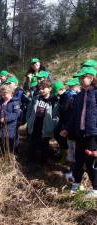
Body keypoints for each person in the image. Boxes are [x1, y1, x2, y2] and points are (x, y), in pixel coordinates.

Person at [61, 67, 97, 197]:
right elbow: (74, 115)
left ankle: (95, 189)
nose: (80, 80)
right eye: (80, 78)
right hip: (79, 132)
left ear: (91, 78)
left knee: (91, 161)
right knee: (78, 159)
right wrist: (67, 129)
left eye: (83, 77)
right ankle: (76, 183)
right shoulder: (80, 95)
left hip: (92, 133)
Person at [26, 79, 59, 164]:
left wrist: (52, 125)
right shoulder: (36, 98)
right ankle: (30, 162)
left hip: (46, 127)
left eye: (43, 88)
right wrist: (28, 119)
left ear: (50, 88)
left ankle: (42, 163)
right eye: (40, 88)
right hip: (35, 124)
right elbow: (30, 109)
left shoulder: (54, 100)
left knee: (44, 145)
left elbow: (56, 115)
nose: (41, 90)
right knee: (32, 144)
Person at [0, 85, 21, 153]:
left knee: (10, 142)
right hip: (0, 126)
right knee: (1, 141)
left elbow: (17, 114)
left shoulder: (14, 102)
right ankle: (2, 155)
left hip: (10, 127)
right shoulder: (0, 102)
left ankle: (11, 155)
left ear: (11, 92)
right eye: (2, 94)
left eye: (5, 94)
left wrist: (6, 119)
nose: (3, 96)